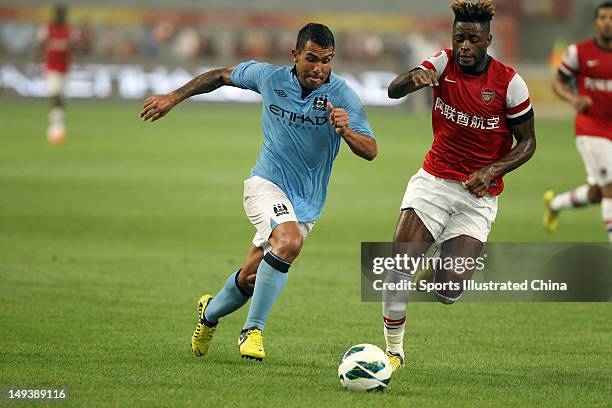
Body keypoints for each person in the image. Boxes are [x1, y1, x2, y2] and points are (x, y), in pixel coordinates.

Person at [140, 23, 377, 362]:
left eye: (327, 60)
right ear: (295, 55)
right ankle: (252, 330)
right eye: (311, 59)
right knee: (289, 242)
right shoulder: (269, 77)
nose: (319, 68)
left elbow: (371, 150)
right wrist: (173, 98)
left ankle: (208, 314)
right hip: (265, 184)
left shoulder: (343, 96)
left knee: (251, 277)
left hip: (306, 202)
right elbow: (221, 75)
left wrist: (347, 131)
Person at [382, 0, 536, 372]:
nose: (464, 46)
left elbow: (528, 143)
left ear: (488, 39)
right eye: (459, 38)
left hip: (477, 196)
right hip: (434, 181)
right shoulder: (442, 62)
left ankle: (440, 263)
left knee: (448, 292)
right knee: (399, 267)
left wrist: (493, 170)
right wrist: (411, 80)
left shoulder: (509, 83)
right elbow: (392, 90)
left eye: (472, 39)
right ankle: (393, 351)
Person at [543, 1, 612, 242]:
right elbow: (558, 82)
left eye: (611, 17)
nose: (607, 22)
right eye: (603, 17)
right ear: (596, 23)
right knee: (610, 189)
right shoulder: (578, 52)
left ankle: (556, 204)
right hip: (590, 130)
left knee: (596, 194)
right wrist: (573, 98)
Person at [39, 4, 71, 144]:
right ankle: (55, 127)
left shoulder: (68, 30)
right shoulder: (47, 29)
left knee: (60, 96)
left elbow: (74, 47)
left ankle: (59, 124)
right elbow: (39, 45)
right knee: (55, 95)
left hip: (64, 68)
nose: (60, 16)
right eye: (58, 13)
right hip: (52, 68)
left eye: (62, 13)